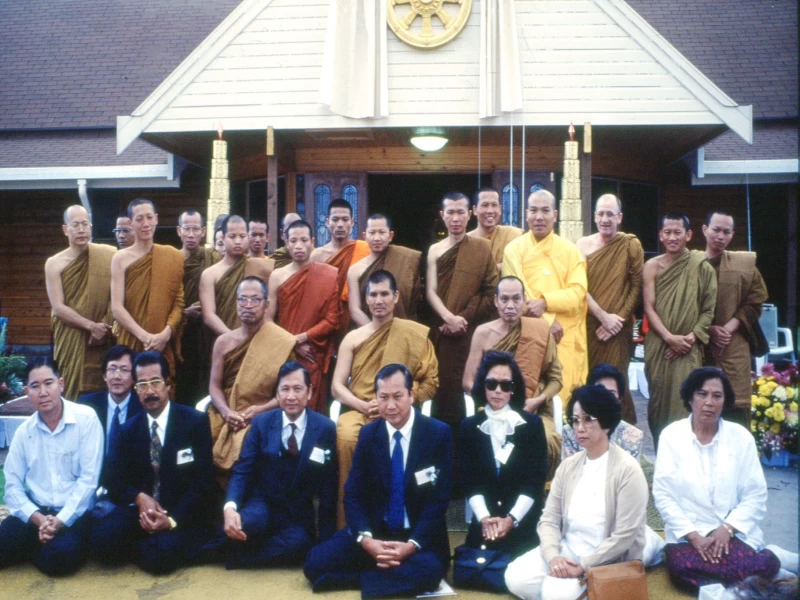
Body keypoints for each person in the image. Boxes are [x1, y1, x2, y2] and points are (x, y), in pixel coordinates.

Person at [304, 364, 454, 599]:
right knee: (314, 563)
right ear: (376, 398)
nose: (390, 405)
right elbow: (352, 494)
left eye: (398, 396)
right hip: (376, 533)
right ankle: (386, 575)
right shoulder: (368, 434)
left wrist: (412, 545)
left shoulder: (438, 434)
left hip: (416, 537)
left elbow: (439, 500)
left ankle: (354, 580)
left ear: (411, 395)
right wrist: (367, 541)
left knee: (431, 571)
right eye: (383, 397)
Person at [653, 367, 797, 591]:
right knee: (681, 568)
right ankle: (767, 568)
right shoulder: (671, 436)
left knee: (733, 565)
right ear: (690, 398)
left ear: (725, 401)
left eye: (717, 396)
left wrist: (727, 530)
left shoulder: (741, 437)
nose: (709, 402)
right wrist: (693, 536)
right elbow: (663, 495)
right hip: (689, 534)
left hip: (733, 532)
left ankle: (758, 570)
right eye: (702, 394)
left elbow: (755, 494)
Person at [505, 384, 650, 600]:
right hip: (568, 549)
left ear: (606, 423)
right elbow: (549, 519)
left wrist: (583, 565)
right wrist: (553, 556)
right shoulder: (568, 466)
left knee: (554, 594)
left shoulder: (628, 470)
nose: (579, 428)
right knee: (516, 578)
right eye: (575, 420)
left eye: (588, 419)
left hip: (606, 560)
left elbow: (624, 537)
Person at [90, 351, 215, 574]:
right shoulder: (127, 430)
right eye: (142, 385)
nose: (149, 391)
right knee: (102, 542)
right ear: (135, 389)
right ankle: (151, 543)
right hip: (141, 512)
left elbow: (204, 481)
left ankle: (155, 544)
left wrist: (171, 520)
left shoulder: (194, 422)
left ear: (168, 384)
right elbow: (113, 480)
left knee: (159, 558)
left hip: (181, 510)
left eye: (156, 382)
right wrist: (138, 497)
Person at [333, 269, 439, 528]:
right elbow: (336, 387)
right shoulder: (353, 338)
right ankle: (350, 524)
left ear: (396, 297)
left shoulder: (413, 335)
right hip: (362, 410)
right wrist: (362, 405)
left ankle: (399, 519)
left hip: (400, 413)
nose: (378, 300)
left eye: (384, 294)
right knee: (346, 435)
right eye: (373, 295)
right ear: (366, 299)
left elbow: (431, 382)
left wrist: (398, 405)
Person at [221, 361, 337, 568]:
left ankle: (237, 556)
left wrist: (326, 543)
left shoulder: (324, 428)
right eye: (285, 389)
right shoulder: (261, 423)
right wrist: (230, 507)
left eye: (297, 389)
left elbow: (328, 486)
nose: (291, 396)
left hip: (296, 513)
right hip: (262, 503)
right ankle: (225, 546)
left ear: (309, 392)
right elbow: (243, 470)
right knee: (248, 523)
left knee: (299, 545)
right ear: (277, 393)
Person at [0, 357, 103, 575]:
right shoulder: (24, 432)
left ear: (61, 384)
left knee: (59, 560)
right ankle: (38, 543)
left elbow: (88, 481)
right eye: (35, 386)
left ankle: (38, 547)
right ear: (27, 392)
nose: (43, 392)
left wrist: (60, 520)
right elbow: (12, 486)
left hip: (74, 514)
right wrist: (38, 519)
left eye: (49, 383)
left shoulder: (86, 419)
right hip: (37, 512)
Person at [457, 351, 548, 593]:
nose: (498, 391)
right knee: (478, 573)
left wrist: (511, 519)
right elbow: (468, 480)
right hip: (485, 524)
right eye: (491, 384)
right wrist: (484, 518)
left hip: (522, 522)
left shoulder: (532, 426)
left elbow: (535, 481)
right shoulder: (468, 427)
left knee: (518, 576)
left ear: (514, 389)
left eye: (505, 385)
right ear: (482, 386)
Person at [463, 276, 563, 478]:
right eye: (504, 299)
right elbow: (467, 382)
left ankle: (531, 491)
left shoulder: (540, 330)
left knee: (545, 440)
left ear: (525, 300)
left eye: (516, 299)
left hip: (532, 409)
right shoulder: (483, 333)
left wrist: (537, 401)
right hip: (492, 409)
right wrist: (494, 402)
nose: (510, 305)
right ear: (496, 301)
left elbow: (556, 378)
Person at [502, 189, 588, 403]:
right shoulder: (513, 249)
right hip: (526, 331)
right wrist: (547, 321)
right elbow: (515, 294)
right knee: (525, 391)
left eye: (545, 211)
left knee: (563, 397)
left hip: (563, 334)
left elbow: (578, 293)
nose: (539, 216)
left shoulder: (570, 251)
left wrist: (546, 302)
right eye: (533, 210)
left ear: (555, 215)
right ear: (526, 214)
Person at [208, 276, 297, 476]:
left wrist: (260, 410)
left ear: (266, 305)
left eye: (255, 299)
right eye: (243, 299)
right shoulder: (223, 342)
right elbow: (214, 386)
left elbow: (287, 391)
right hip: (226, 410)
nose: (248, 305)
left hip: (264, 412)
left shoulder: (281, 342)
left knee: (253, 438)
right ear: (236, 303)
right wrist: (226, 412)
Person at [643, 213, 717, 449]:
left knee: (686, 402)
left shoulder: (701, 266)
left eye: (678, 232)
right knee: (658, 403)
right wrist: (669, 338)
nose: (672, 237)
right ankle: (662, 458)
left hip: (688, 347)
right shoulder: (651, 266)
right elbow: (649, 308)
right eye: (667, 232)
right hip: (659, 346)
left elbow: (708, 311)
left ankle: (687, 459)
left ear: (688, 235)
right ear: (660, 235)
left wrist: (689, 339)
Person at [427, 191, 497, 425]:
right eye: (450, 213)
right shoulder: (435, 250)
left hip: (471, 331)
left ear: (469, 215)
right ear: (442, 215)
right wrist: (449, 318)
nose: (455, 218)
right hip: (443, 331)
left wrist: (462, 319)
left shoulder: (482, 247)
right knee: (444, 386)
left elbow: (490, 291)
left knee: (470, 385)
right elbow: (430, 292)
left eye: (460, 213)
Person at [576, 194, 643, 423]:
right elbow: (578, 287)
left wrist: (617, 321)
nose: (605, 219)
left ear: (619, 217)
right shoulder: (582, 245)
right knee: (592, 380)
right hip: (591, 326)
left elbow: (636, 286)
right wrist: (603, 317)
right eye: (601, 214)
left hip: (618, 330)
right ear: (595, 216)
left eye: (610, 214)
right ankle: (593, 430)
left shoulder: (630, 244)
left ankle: (622, 432)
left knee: (616, 381)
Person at [702, 211, 769, 428]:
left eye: (726, 232)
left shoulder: (744, 264)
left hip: (733, 343)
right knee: (700, 401)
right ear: (705, 230)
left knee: (736, 407)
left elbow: (755, 301)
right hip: (698, 343)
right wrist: (709, 329)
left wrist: (728, 328)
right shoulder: (692, 264)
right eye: (716, 230)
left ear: (732, 235)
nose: (720, 236)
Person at [266, 220, 340, 413]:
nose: (299, 245)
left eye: (304, 240)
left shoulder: (328, 274)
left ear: (312, 242)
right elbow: (267, 320)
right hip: (284, 352)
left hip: (313, 351)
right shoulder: (277, 276)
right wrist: (292, 343)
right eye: (293, 240)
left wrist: (302, 338)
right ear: (286, 243)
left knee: (312, 407)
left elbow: (332, 320)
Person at [110, 198, 185, 385]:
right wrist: (146, 337)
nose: (145, 224)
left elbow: (178, 303)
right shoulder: (120, 258)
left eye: (149, 217)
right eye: (139, 219)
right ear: (130, 223)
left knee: (160, 389)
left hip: (162, 342)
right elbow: (117, 308)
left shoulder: (172, 256)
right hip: (131, 339)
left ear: (156, 219)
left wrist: (165, 335)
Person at [45, 205, 116, 399]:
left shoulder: (108, 255)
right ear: (65, 229)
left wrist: (102, 326)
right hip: (71, 335)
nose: (81, 229)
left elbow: (117, 296)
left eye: (85, 224)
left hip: (103, 334)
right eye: (75, 225)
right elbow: (58, 307)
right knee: (70, 388)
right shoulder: (54, 263)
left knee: (102, 388)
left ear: (91, 227)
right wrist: (91, 326)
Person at [78, 345, 141, 492]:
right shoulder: (86, 405)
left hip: (130, 487)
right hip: (91, 482)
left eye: (124, 370)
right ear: (104, 375)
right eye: (112, 369)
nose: (117, 376)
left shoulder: (142, 407)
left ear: (134, 377)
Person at [199, 215, 274, 336]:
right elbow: (209, 316)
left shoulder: (260, 267)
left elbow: (268, 309)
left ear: (248, 237)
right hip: (223, 339)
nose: (238, 241)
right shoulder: (210, 274)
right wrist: (233, 338)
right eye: (232, 236)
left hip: (256, 338)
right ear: (223, 238)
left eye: (242, 236)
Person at [176, 209, 219, 405]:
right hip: (178, 332)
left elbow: (221, 291)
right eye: (187, 229)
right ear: (179, 231)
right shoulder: (171, 260)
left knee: (205, 379)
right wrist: (184, 313)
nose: (191, 234)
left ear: (203, 231)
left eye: (195, 229)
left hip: (207, 332)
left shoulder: (213, 257)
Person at [348, 214, 422, 326]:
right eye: (372, 233)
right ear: (365, 236)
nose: (377, 238)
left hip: (402, 330)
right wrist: (377, 332)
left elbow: (413, 304)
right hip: (369, 331)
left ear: (391, 236)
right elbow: (355, 310)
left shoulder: (406, 259)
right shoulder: (355, 270)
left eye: (382, 232)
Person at [310, 199, 370, 336]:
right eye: (335, 219)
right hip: (326, 322)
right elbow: (314, 298)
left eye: (345, 219)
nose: (340, 224)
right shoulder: (317, 256)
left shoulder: (364, 250)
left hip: (357, 320)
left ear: (352, 222)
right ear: (327, 222)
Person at [561, 363, 643, 459]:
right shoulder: (570, 432)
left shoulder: (633, 436)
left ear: (620, 399)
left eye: (611, 393)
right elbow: (569, 467)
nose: (605, 399)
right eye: (599, 392)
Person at [468, 186, 523, 272]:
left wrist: (487, 270)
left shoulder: (512, 234)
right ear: (475, 210)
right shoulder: (467, 241)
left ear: (500, 209)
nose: (490, 210)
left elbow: (523, 262)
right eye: (485, 205)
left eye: (494, 205)